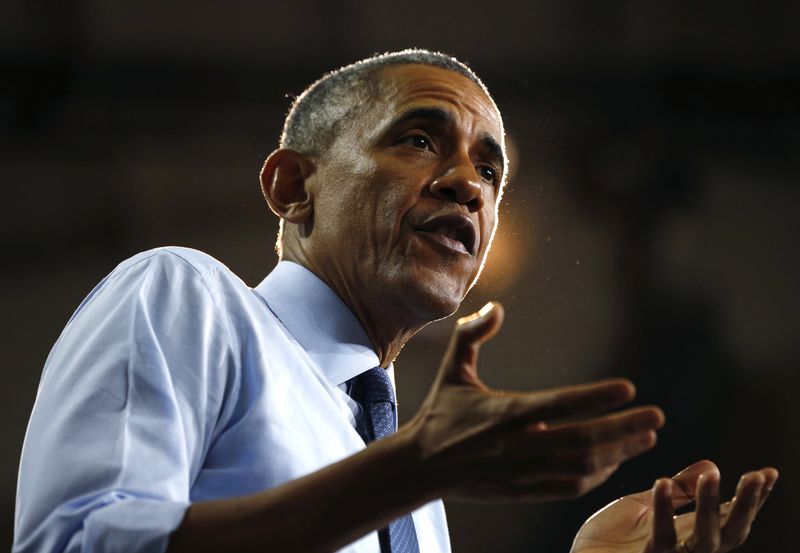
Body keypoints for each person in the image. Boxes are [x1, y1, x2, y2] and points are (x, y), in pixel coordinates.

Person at [14, 49, 777, 553]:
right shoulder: (185, 296)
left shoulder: (410, 492)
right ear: (291, 186)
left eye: (490, 172)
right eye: (418, 139)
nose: (466, 185)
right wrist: (408, 469)